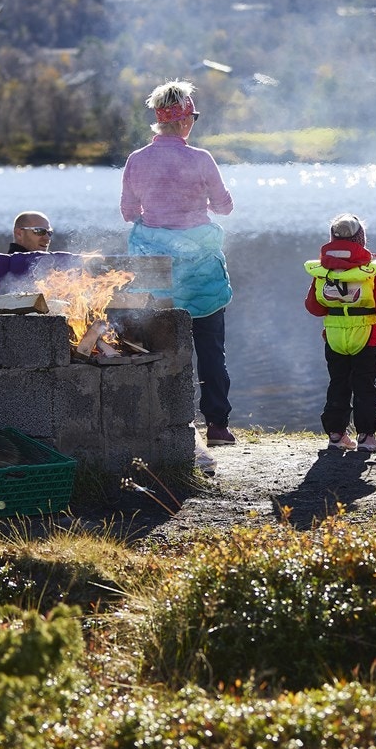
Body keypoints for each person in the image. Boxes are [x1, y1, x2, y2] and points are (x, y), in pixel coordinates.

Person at [120, 79, 236, 463]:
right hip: (198, 267)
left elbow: (127, 213)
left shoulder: (137, 160)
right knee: (210, 348)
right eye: (194, 116)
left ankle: (163, 421)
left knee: (157, 343)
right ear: (185, 119)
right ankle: (217, 426)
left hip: (154, 267)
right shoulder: (201, 159)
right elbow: (224, 208)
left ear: (159, 119)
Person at [304, 214, 376, 454]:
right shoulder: (369, 272)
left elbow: (314, 308)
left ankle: (336, 435)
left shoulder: (322, 272)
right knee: (365, 386)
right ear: (361, 241)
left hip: (334, 337)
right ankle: (366, 437)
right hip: (365, 336)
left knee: (338, 383)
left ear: (332, 238)